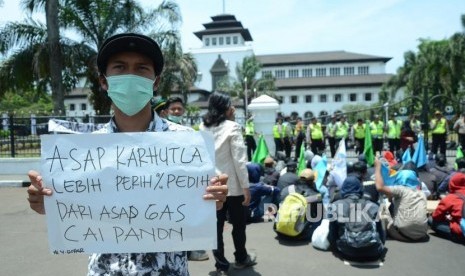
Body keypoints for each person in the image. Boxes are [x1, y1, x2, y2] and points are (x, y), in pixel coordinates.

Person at [26, 32, 228, 275]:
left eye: (141, 68)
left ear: (155, 82)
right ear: (104, 81)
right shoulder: (82, 151)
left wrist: (214, 198)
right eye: (120, 68)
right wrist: (47, 202)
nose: (131, 76)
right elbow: (71, 210)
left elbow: (206, 198)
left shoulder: (186, 144)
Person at [199, 92, 257, 275]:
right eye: (230, 105)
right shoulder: (233, 127)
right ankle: (241, 258)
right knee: (238, 225)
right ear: (225, 108)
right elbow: (240, 161)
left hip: (213, 185)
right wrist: (246, 187)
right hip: (233, 186)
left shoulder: (202, 126)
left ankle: (221, 265)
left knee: (216, 229)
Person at [328, 176, 385, 262]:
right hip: (373, 252)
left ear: (343, 188)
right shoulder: (374, 206)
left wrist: (334, 247)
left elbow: (332, 233)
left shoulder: (335, 205)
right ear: (360, 189)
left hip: (347, 252)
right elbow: (381, 232)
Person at [374, 158, 429, 242]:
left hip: (404, 235)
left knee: (384, 212)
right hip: (422, 234)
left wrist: (377, 168)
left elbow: (380, 187)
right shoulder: (421, 193)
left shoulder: (400, 189)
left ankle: (383, 236)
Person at [276, 168, 323, 240]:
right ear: (313, 181)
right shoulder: (316, 196)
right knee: (319, 219)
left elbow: (280, 203)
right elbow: (319, 215)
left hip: (279, 229)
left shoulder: (287, 189)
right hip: (299, 234)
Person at [429, 172, 465, 243]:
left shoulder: (451, 198)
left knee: (431, 221)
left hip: (461, 232)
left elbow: (436, 216)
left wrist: (448, 219)